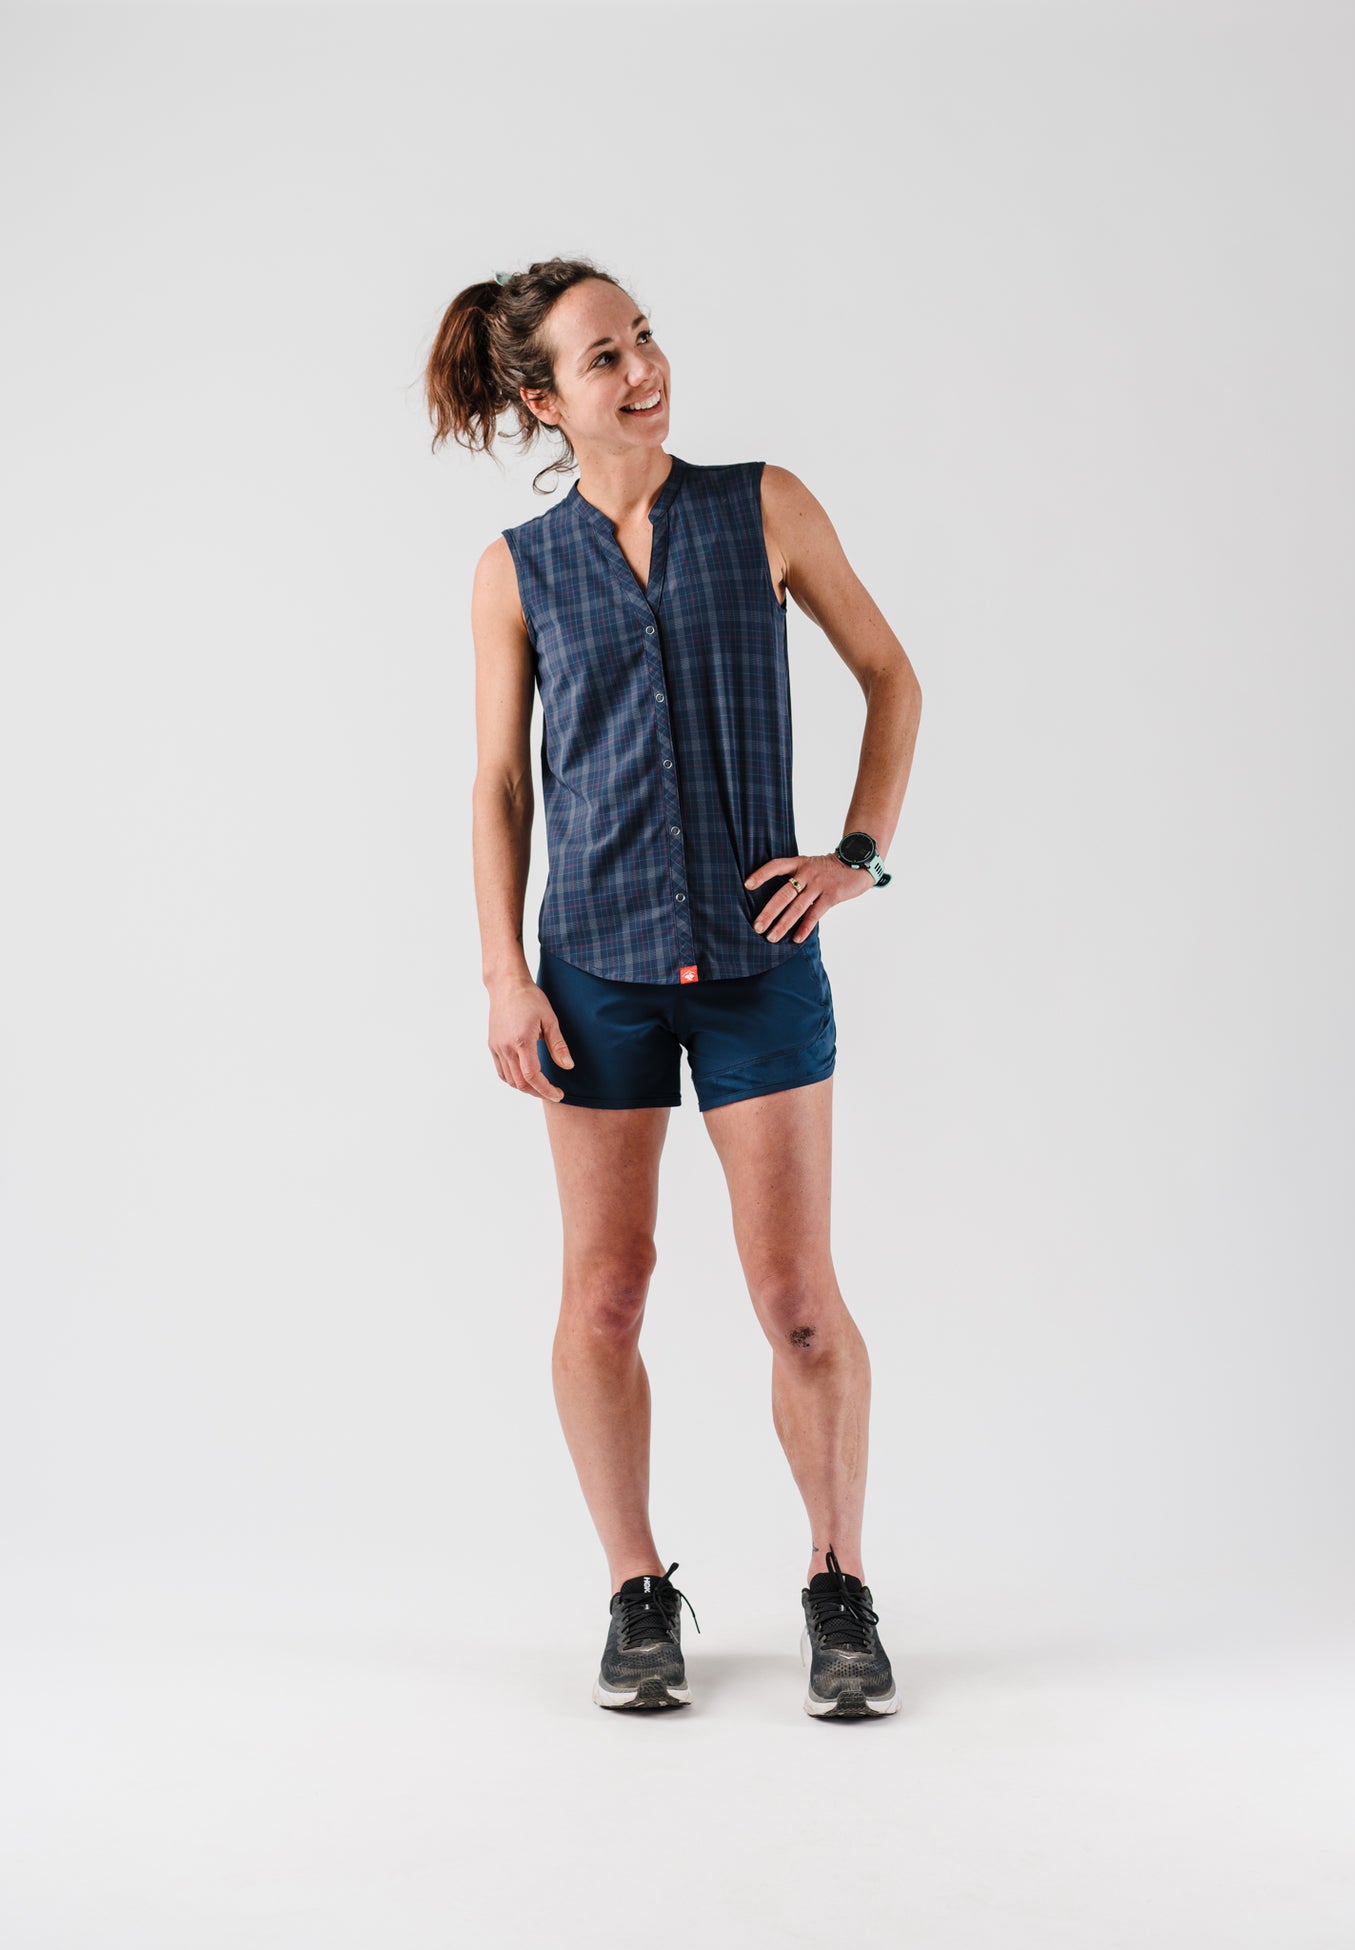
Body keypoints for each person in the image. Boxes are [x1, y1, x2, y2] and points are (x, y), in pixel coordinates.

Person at [425, 257, 922, 1719]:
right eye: (602, 357)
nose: (641, 369)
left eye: (642, 338)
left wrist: (856, 856)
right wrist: (504, 973)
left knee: (798, 1302)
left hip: (759, 965)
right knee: (605, 1293)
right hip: (594, 975)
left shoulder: (764, 507)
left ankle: (838, 1578)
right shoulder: (513, 572)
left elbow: (891, 677)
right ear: (543, 401)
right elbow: (498, 785)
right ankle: (635, 1588)